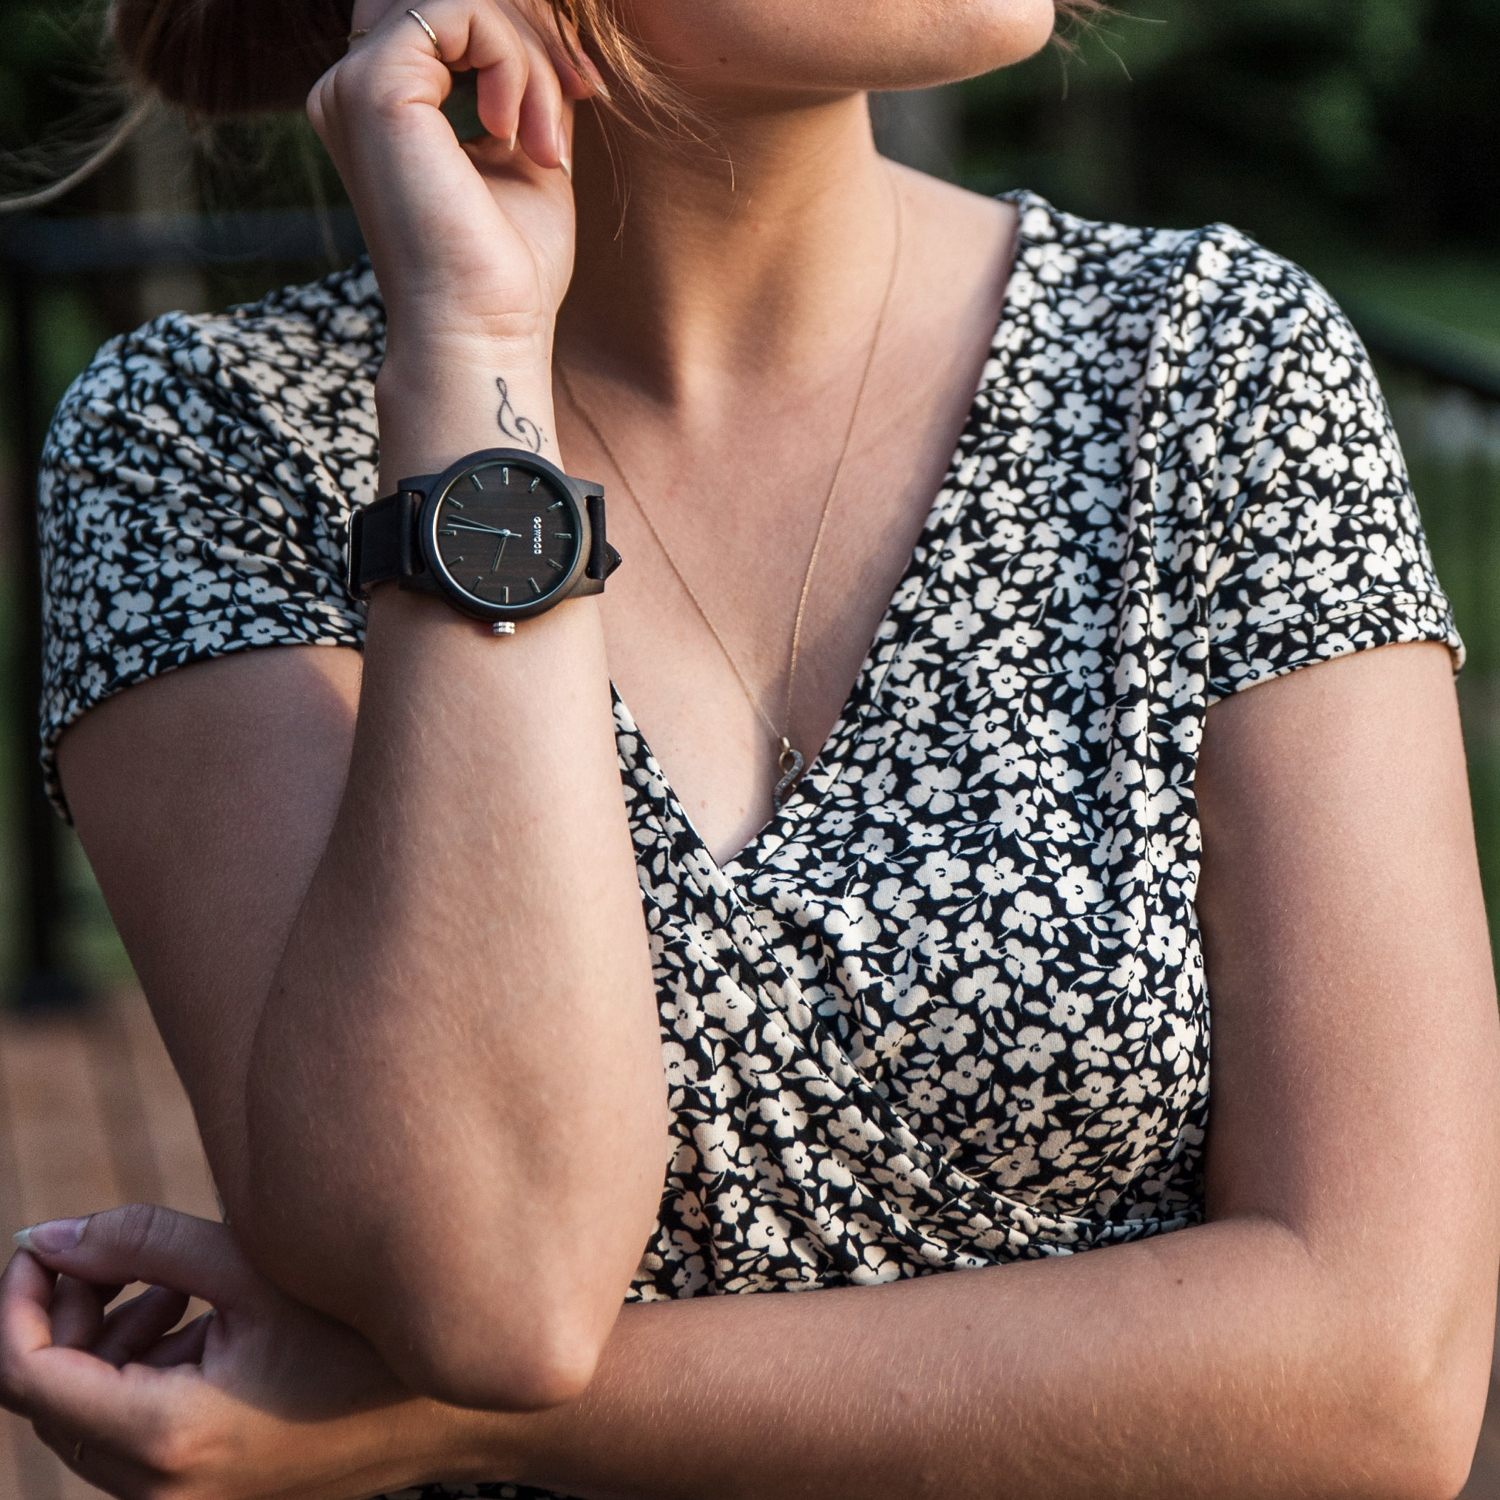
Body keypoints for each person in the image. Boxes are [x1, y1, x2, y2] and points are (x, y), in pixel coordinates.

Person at [2, 0, 1498, 1493]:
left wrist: (433, 1422)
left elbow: (1383, 1385)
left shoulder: (1212, 371)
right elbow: (489, 1291)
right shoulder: (204, 446)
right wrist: (472, 370)